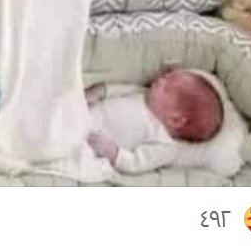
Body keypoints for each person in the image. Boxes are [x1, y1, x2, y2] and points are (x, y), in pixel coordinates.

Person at [86, 70, 224, 173]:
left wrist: (112, 152)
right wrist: (101, 91)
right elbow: (120, 90)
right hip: (84, 108)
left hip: (90, 141)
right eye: (166, 77)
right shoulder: (145, 93)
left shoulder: (165, 145)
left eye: (167, 88)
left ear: (175, 120)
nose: (160, 80)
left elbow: (137, 163)